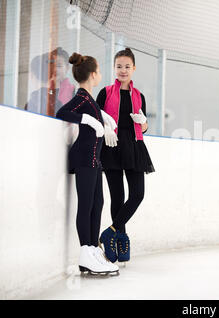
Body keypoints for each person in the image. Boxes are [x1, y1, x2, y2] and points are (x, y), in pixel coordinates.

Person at [56, 52, 119, 276]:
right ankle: (85, 251)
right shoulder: (82, 96)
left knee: (97, 203)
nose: (101, 74)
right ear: (93, 75)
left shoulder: (89, 99)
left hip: (95, 160)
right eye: (99, 71)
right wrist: (90, 120)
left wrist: (103, 116)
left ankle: (92, 250)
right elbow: (62, 112)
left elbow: (90, 109)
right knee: (86, 205)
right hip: (85, 159)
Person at [96, 47, 155, 264]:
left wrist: (144, 123)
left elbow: (145, 126)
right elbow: (96, 117)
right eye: (119, 66)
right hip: (111, 146)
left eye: (127, 66)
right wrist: (106, 128)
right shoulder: (105, 93)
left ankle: (111, 232)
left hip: (134, 146)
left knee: (137, 194)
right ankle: (119, 237)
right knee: (118, 197)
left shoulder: (139, 96)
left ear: (133, 69)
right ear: (114, 68)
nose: (123, 70)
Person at [25, 47, 75, 116]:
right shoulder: (39, 94)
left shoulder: (73, 93)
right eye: (52, 65)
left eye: (59, 65)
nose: (55, 69)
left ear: (67, 68)